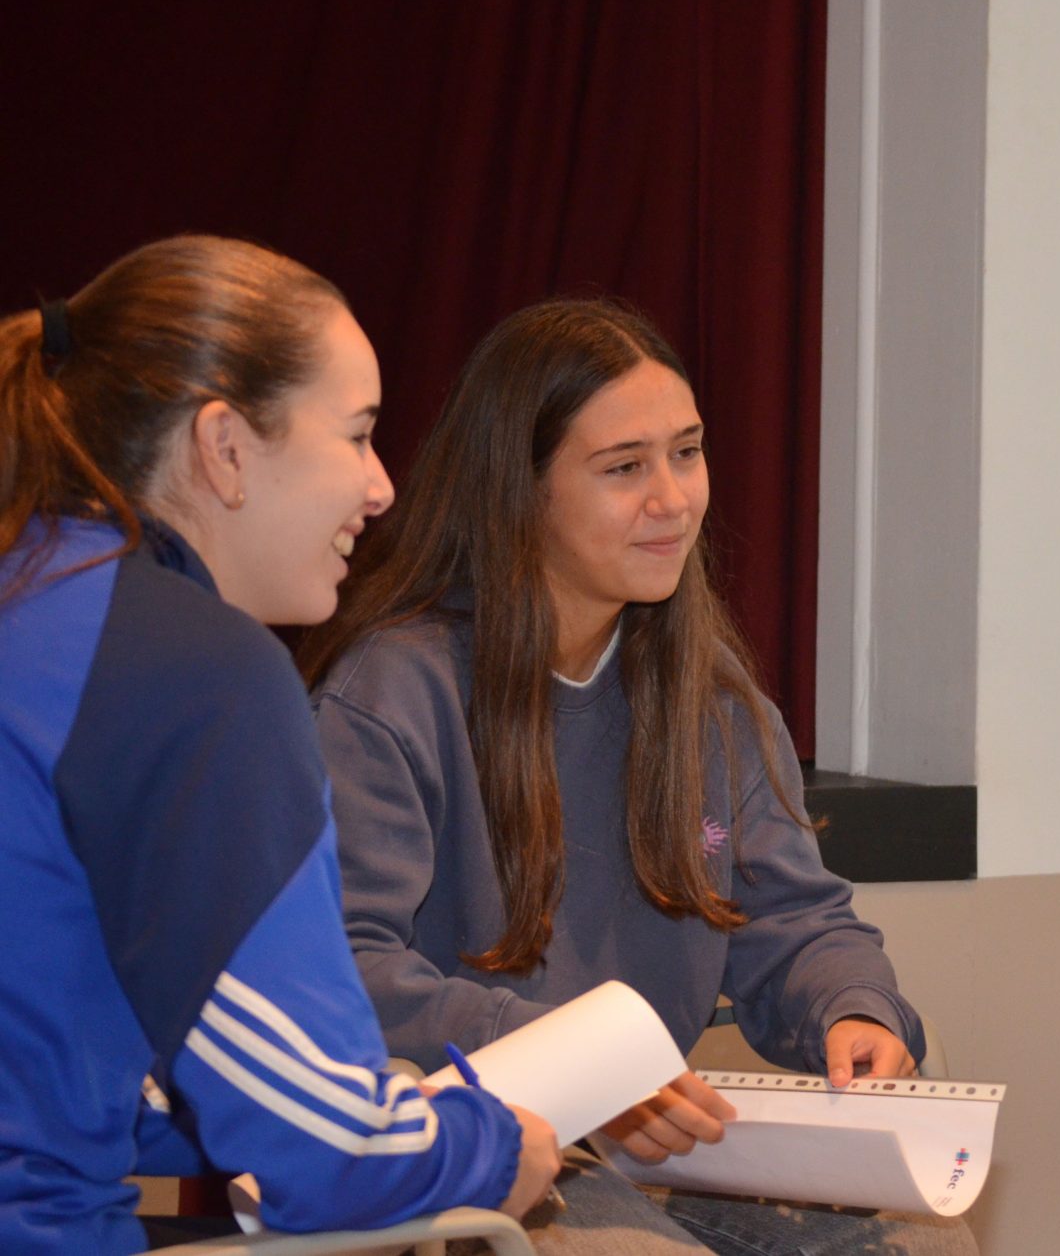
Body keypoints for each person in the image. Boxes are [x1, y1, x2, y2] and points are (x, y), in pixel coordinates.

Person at [296, 298, 974, 1255]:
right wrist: (588, 1066)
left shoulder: (716, 704)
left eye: (687, 453)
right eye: (624, 469)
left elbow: (793, 921)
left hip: (655, 1154)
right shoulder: (391, 695)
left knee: (928, 1247)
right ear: (517, 490)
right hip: (485, 1155)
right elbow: (345, 974)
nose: (674, 499)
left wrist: (850, 1002)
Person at [0, 236, 559, 1255]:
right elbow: (330, 1151)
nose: (383, 488)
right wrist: (484, 1145)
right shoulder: (190, 668)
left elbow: (45, 1055)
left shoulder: (33, 599)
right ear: (223, 446)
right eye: (356, 435)